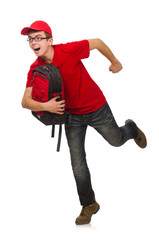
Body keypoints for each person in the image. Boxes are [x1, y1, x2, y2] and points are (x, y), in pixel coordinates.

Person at [21, 20, 147, 225]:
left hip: (96, 106)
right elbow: (25, 101)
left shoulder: (68, 50)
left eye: (38, 38)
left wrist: (115, 62)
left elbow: (96, 42)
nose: (33, 42)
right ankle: (89, 204)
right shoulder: (35, 69)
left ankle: (131, 128)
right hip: (71, 116)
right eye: (30, 39)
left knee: (115, 140)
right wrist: (46, 107)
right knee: (77, 163)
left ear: (50, 40)